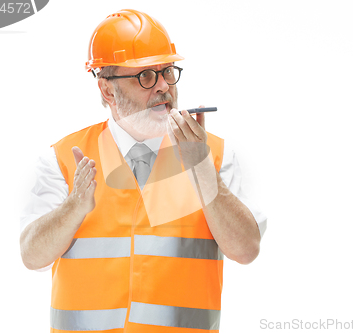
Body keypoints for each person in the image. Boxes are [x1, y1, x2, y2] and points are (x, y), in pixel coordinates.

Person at [19, 9, 267, 332]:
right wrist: (74, 207)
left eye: (167, 71)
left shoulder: (216, 156)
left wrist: (202, 169)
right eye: (146, 76)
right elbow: (31, 255)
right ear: (108, 90)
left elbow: (247, 249)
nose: (164, 86)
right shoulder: (65, 160)